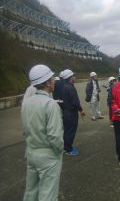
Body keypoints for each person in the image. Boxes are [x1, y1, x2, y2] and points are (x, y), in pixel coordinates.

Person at [21, 64, 64, 200]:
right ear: (47, 83)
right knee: (48, 194)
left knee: (31, 192)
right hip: (48, 156)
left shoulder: (27, 102)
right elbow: (54, 136)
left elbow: (25, 129)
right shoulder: (51, 104)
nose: (54, 81)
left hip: (31, 152)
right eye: (52, 79)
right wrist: (59, 152)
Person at [62, 69, 85, 155]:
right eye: (73, 76)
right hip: (71, 113)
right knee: (71, 131)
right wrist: (81, 110)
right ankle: (69, 149)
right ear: (70, 78)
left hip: (66, 112)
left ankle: (65, 147)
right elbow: (75, 102)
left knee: (67, 130)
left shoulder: (65, 86)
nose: (75, 77)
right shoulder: (70, 88)